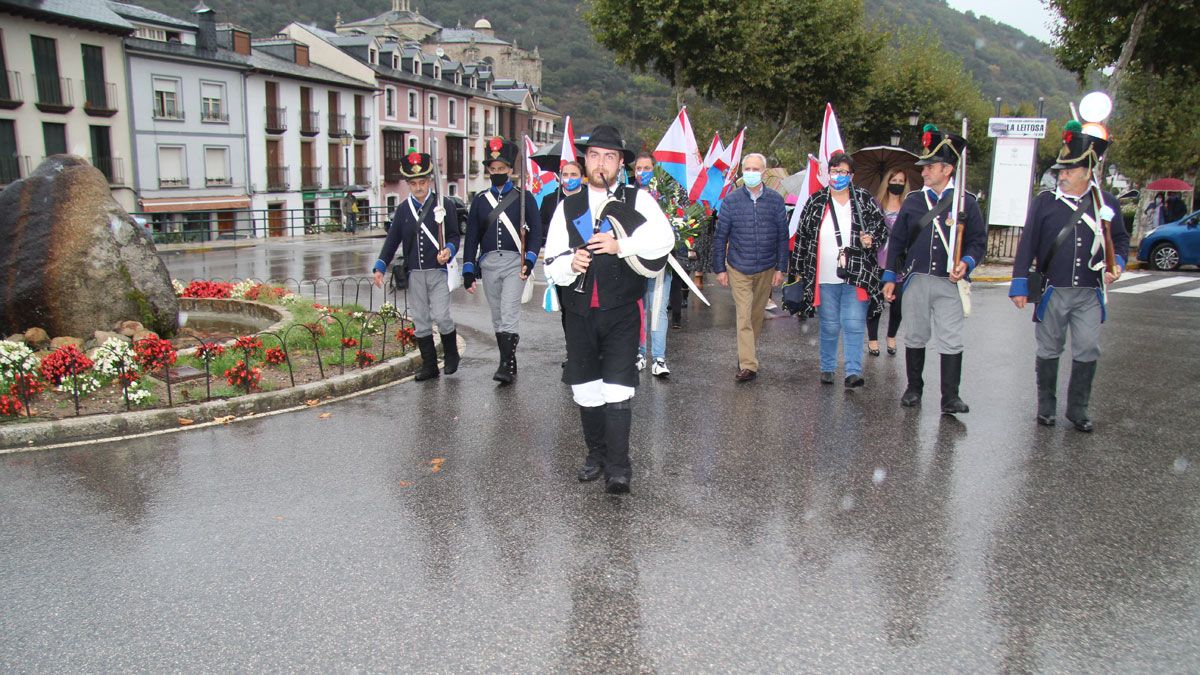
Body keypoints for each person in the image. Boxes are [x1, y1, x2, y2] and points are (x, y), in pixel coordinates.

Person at [543, 125, 674, 494]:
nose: (602, 163)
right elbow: (550, 261)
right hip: (579, 312)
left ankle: (619, 466)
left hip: (621, 311)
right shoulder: (567, 206)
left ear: (620, 163)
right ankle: (596, 456)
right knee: (585, 388)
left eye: (610, 157)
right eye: (595, 156)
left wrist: (622, 244)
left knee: (617, 389)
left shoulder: (637, 200)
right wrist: (569, 265)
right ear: (585, 161)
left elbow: (664, 239)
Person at [1008, 121, 1128, 432]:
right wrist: (1020, 283)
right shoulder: (1045, 202)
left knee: (1088, 347)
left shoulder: (1106, 203)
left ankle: (1078, 409)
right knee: (1049, 348)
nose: (1062, 175)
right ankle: (1046, 407)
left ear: (1088, 170)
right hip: (1053, 290)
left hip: (1090, 292)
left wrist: (1120, 264)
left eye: (1069, 170)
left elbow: (1122, 240)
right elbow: (1028, 243)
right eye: (1061, 170)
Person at [882, 124, 986, 413]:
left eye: (930, 167)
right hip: (916, 279)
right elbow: (898, 242)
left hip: (949, 282)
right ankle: (914, 388)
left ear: (947, 170)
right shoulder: (915, 201)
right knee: (915, 334)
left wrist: (966, 263)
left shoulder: (967, 202)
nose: (923, 172)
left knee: (951, 338)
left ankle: (950, 396)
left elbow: (978, 243)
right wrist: (890, 275)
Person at [789, 152, 888, 387]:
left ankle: (853, 372)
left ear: (851, 176)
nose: (838, 176)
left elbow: (881, 230)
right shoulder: (816, 201)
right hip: (823, 275)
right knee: (830, 324)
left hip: (857, 274)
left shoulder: (864, 199)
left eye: (843, 172)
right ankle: (827, 367)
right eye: (834, 171)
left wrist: (870, 239)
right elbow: (802, 238)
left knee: (854, 323)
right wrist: (798, 270)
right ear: (828, 174)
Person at [370, 152, 460, 381]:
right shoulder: (402, 210)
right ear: (408, 185)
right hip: (414, 274)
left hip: (438, 272)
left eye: (422, 182)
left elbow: (454, 235)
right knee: (420, 321)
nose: (418, 187)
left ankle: (451, 355)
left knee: (441, 316)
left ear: (429, 181)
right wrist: (380, 266)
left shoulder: (443, 204)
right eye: (413, 183)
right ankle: (429, 366)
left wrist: (448, 250)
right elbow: (392, 241)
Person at [461, 137, 541, 384]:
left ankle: (505, 364)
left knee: (508, 311)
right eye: (492, 169)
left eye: (501, 169)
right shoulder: (480, 200)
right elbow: (472, 235)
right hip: (488, 264)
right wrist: (468, 268)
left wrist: (529, 259)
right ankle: (510, 358)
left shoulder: (523, 197)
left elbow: (537, 233)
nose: (496, 173)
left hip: (514, 263)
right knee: (497, 315)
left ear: (510, 170)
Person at [711, 152, 789, 382]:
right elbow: (720, 236)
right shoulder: (732, 200)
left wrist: (780, 268)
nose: (751, 173)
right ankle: (748, 365)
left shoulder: (775, 200)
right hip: (738, 266)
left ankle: (747, 353)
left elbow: (782, 237)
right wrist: (720, 269)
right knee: (744, 315)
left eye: (756, 169)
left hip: (766, 267)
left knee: (756, 315)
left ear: (764, 173)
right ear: (742, 172)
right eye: (748, 169)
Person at [633, 153, 678, 377]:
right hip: (634, 262)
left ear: (655, 168)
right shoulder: (628, 195)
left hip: (660, 262)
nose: (642, 172)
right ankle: (639, 354)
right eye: (638, 168)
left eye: (647, 167)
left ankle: (659, 358)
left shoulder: (667, 196)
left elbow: (678, 222)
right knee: (637, 308)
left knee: (658, 309)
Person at [868, 169, 910, 356]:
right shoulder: (876, 204)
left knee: (898, 303)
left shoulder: (909, 205)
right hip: (878, 259)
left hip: (900, 262)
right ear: (887, 182)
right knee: (875, 302)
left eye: (901, 181)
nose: (898, 184)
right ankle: (873, 340)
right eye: (894, 180)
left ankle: (891, 336)